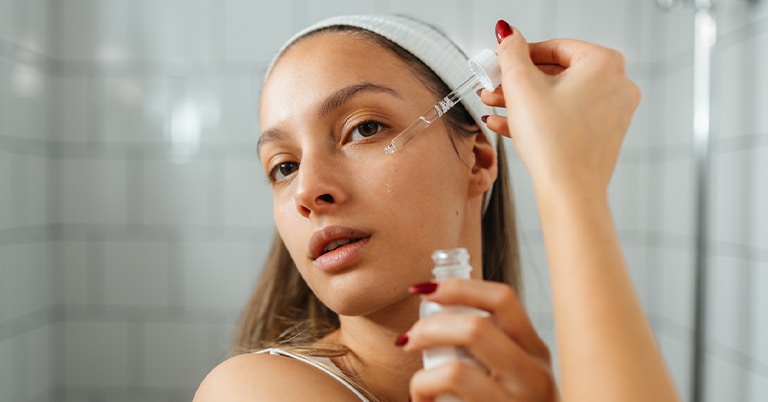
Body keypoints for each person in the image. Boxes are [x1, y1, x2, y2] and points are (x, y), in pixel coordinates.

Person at [194, 14, 679, 402]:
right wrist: (571, 179)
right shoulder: (250, 391)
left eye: (364, 128)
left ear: (476, 161)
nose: (307, 191)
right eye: (284, 167)